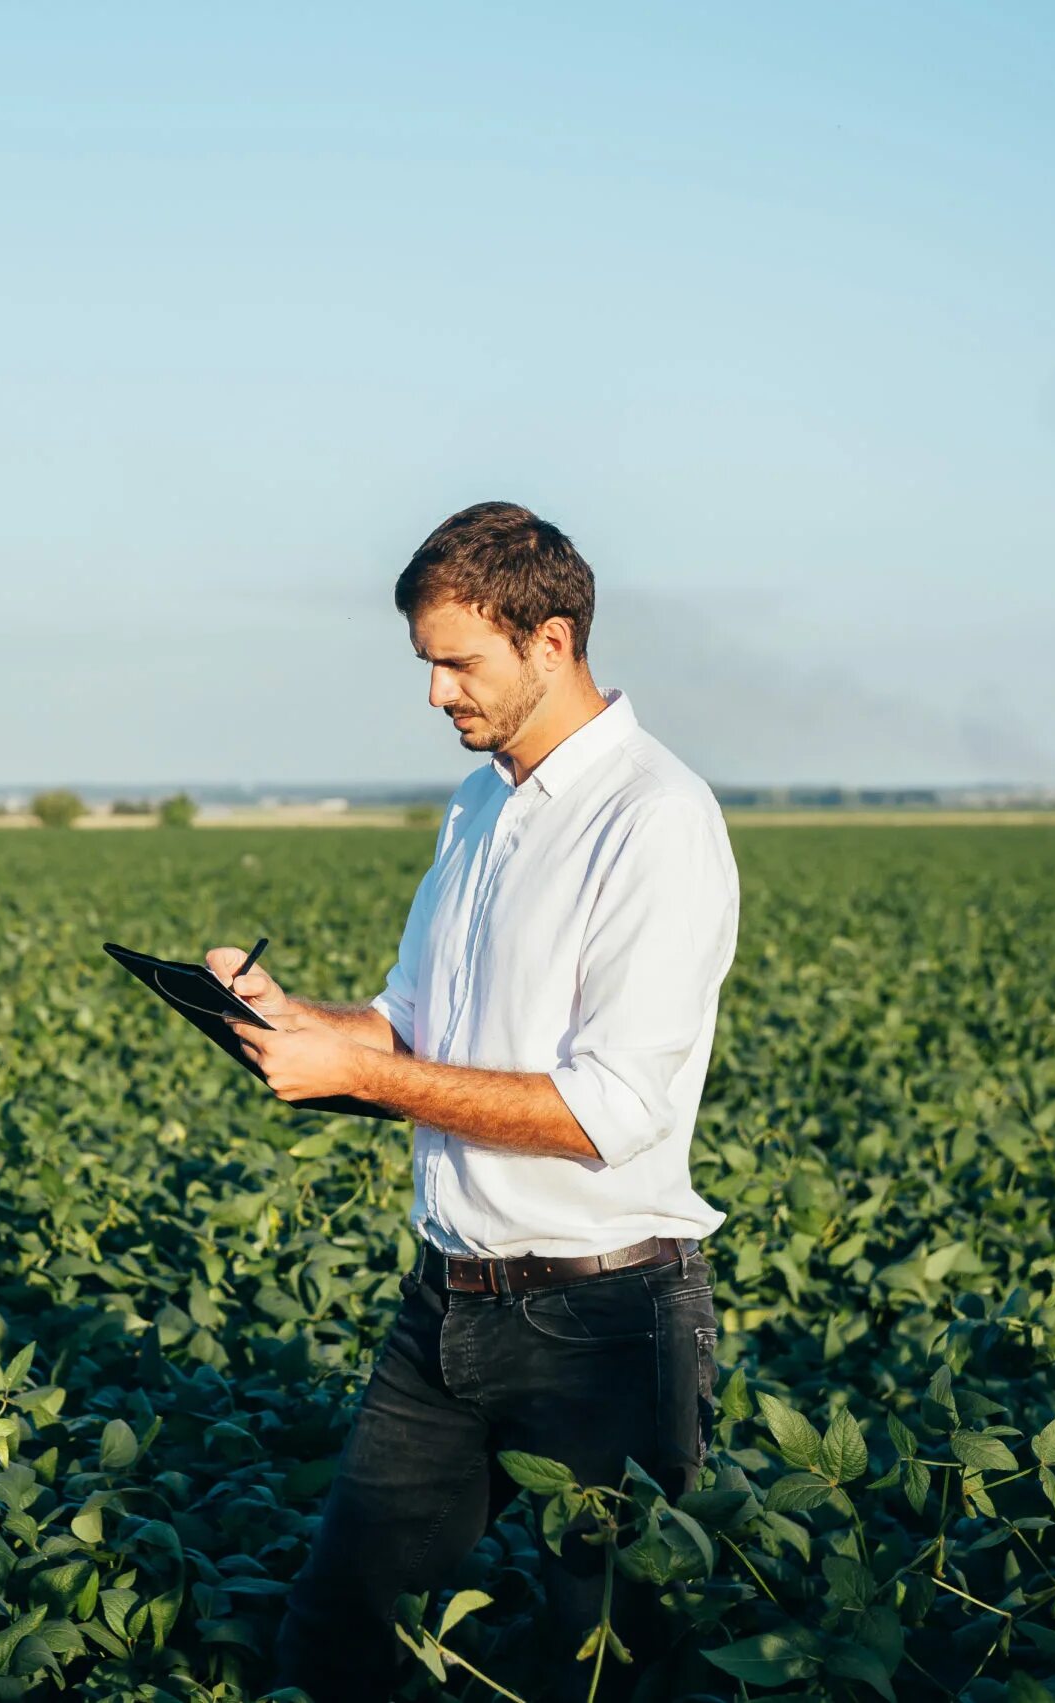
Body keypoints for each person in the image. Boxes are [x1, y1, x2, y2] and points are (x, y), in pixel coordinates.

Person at [209, 501, 739, 1703]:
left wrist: (364, 1075)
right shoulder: (479, 804)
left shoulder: (653, 819)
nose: (435, 692)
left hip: (602, 1317)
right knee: (337, 1636)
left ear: (550, 642)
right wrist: (293, 1022)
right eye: (426, 662)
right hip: (445, 1302)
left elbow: (612, 1108)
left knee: (603, 1665)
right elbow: (410, 1024)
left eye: (459, 661)